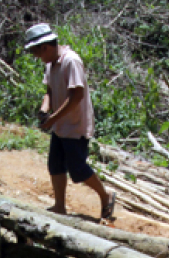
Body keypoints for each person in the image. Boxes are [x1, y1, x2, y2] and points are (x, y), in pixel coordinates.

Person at [24, 23, 116, 221]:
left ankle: (105, 195)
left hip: (75, 125)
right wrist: (44, 110)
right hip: (60, 125)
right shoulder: (51, 64)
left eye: (36, 53)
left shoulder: (71, 61)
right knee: (55, 165)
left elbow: (77, 96)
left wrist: (52, 118)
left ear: (45, 47)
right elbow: (49, 91)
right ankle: (59, 206)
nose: (37, 57)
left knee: (78, 169)